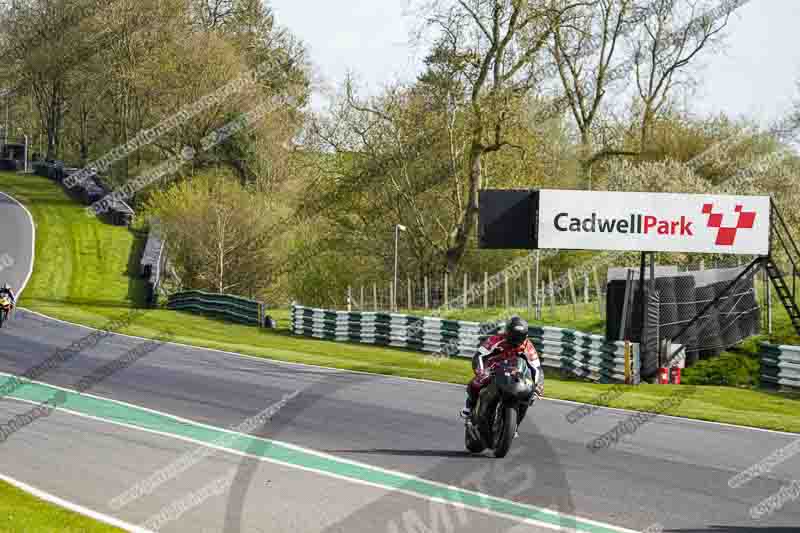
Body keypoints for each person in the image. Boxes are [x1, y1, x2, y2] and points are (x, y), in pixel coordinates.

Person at [460, 316, 544, 419]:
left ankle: (515, 424)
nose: (515, 342)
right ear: (507, 333)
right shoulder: (496, 339)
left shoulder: (528, 346)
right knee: (476, 383)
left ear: (525, 337)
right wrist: (481, 372)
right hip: (494, 368)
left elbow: (536, 368)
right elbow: (479, 356)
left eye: (519, 338)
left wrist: (538, 385)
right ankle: (469, 406)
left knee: (530, 394)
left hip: (516, 373)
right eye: (513, 337)